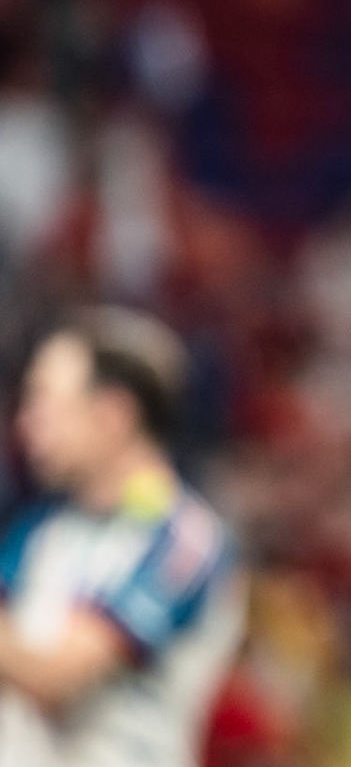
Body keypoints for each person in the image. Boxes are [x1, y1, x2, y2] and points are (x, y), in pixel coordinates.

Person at [0, 307, 245, 767]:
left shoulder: (185, 542)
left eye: (44, 402)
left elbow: (55, 678)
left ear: (113, 414)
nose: (26, 424)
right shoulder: (41, 530)